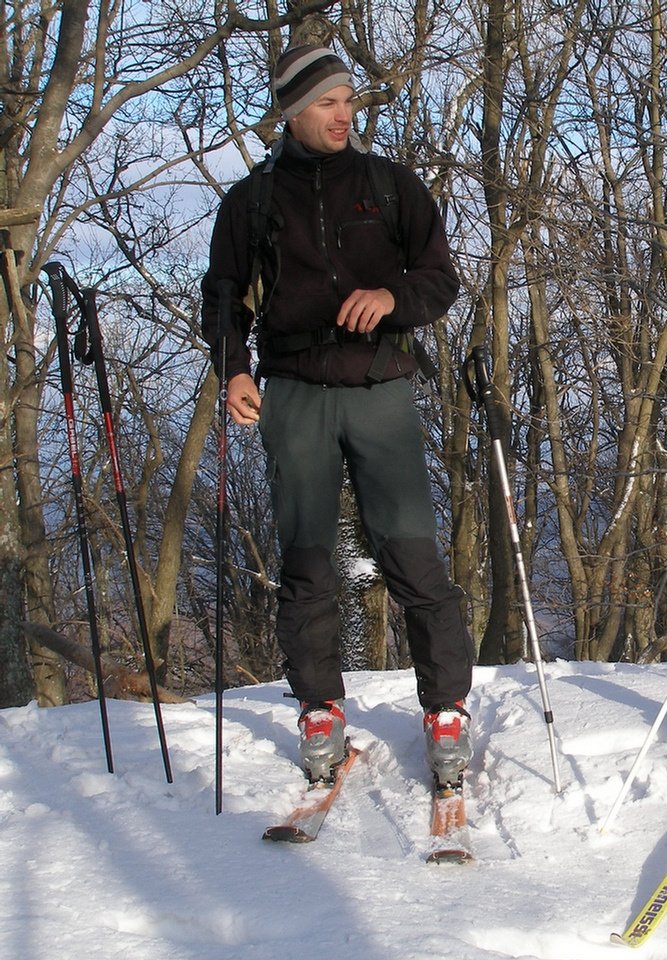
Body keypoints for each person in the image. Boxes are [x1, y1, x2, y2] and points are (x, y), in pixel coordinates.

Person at [201, 45, 474, 786]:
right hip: (293, 394)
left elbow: (441, 279)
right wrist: (233, 368)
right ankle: (320, 709)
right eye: (327, 102)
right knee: (309, 564)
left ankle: (447, 710)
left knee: (413, 556)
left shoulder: (391, 188)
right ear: (292, 110)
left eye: (349, 100)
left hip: (381, 388)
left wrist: (392, 300)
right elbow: (224, 296)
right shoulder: (253, 202)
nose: (344, 113)